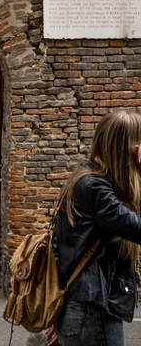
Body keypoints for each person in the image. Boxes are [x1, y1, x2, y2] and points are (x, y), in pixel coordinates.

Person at [51, 110, 141, 346]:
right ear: (127, 147)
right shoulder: (95, 189)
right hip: (92, 311)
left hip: (79, 308)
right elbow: (135, 227)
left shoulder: (85, 177)